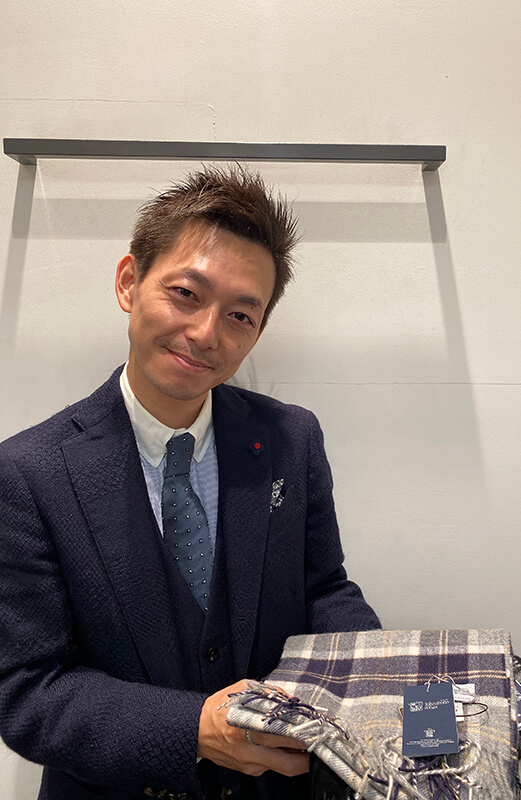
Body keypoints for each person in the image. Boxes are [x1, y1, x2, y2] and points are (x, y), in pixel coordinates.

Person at [0, 167, 380, 800]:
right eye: (185, 293)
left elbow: (322, 590)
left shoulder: (291, 439)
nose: (206, 333)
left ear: (258, 330)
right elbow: (28, 689)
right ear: (129, 282)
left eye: (240, 314)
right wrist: (193, 729)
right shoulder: (27, 473)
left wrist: (373, 679)